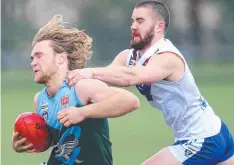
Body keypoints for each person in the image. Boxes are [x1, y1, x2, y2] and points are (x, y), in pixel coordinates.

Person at [66, 1, 234, 165]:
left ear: (159, 27)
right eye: (132, 21)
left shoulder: (167, 58)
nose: (133, 26)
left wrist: (91, 71)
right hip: (214, 131)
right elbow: (105, 80)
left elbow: (132, 76)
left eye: (140, 21)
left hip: (202, 138)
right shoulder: (129, 56)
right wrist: (66, 76)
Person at [11, 15, 140, 165]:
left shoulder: (80, 87)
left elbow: (131, 101)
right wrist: (29, 142)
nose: (33, 62)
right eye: (32, 58)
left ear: (61, 58)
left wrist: (82, 112)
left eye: (39, 56)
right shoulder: (39, 100)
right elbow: (56, 143)